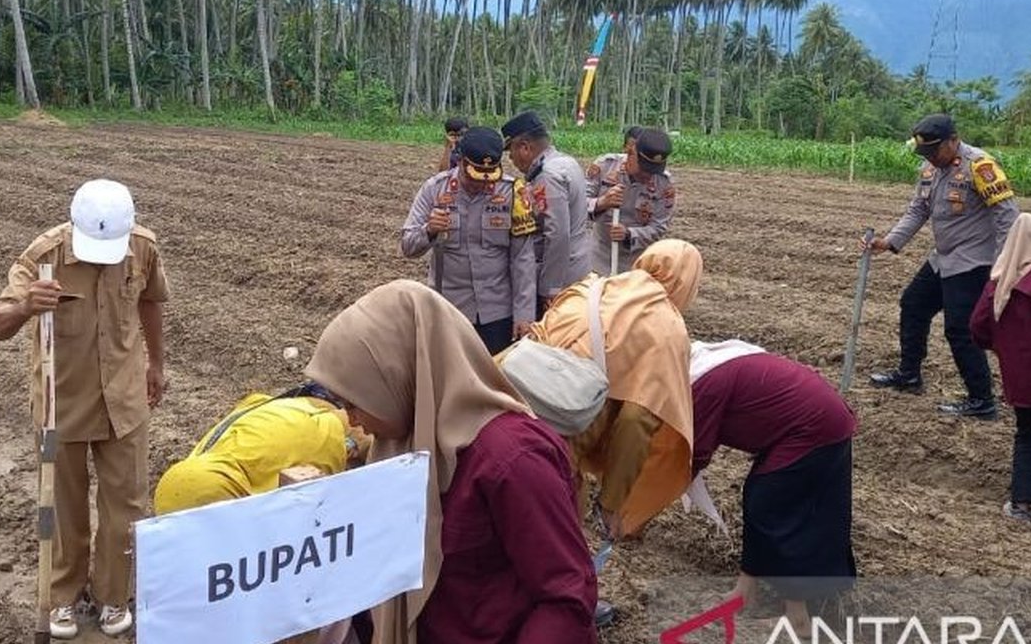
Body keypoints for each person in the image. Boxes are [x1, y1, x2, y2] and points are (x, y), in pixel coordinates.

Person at [305, 280, 598, 644]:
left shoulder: (512, 459)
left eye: (354, 403)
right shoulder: (398, 443)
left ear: (398, 379)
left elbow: (566, 596)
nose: (351, 421)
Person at [0, 179, 170, 640]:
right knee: (63, 506)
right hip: (61, 400)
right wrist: (28, 305)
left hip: (124, 399)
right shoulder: (43, 255)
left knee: (125, 504)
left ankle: (113, 594)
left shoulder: (142, 248)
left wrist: (157, 363)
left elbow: (151, 301)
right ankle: (64, 596)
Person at [526, 240, 700, 540]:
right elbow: (636, 421)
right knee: (549, 548)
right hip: (554, 448)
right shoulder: (668, 329)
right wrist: (611, 503)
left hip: (502, 411)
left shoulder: (591, 287)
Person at [688, 340, 857, 636]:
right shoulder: (711, 361)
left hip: (815, 427)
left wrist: (658, 490)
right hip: (815, 419)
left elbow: (695, 451)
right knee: (758, 498)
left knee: (773, 510)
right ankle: (745, 591)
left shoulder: (704, 383)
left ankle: (797, 616)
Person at [867, 113, 1019, 419]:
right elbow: (918, 209)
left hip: (975, 261)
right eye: (926, 154)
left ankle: (982, 400)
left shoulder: (980, 166)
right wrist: (890, 241)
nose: (931, 158)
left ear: (953, 140)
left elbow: (1007, 217)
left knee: (959, 329)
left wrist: (1003, 265)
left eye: (935, 151)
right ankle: (909, 374)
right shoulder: (930, 168)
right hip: (944, 257)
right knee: (913, 304)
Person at [401, 126, 538, 354]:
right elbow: (407, 246)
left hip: (498, 313)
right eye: (474, 178)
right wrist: (429, 230)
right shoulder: (435, 190)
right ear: (462, 162)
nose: (482, 185)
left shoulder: (512, 192)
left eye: (488, 178)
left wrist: (524, 314)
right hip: (450, 310)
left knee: (497, 380)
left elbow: (523, 258)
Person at [152, 383, 373, 515]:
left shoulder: (312, 438)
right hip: (269, 415)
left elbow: (356, 429)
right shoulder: (188, 482)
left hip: (321, 408)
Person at [969, 213, 1031, 523]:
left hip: (1022, 374)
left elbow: (978, 326)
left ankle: (1021, 505)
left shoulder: (999, 280)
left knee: (1028, 435)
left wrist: (1002, 347)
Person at [501, 111, 592, 318]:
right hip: (576, 267)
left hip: (561, 276)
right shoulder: (566, 162)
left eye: (511, 151)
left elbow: (557, 235)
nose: (512, 158)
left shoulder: (547, 176)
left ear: (525, 147)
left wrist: (549, 288)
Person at [587, 127, 677, 275]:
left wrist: (628, 234)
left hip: (636, 265)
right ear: (630, 153)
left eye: (654, 170)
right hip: (597, 258)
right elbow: (577, 207)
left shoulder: (665, 184)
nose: (648, 176)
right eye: (644, 168)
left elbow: (659, 226)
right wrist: (602, 202)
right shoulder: (604, 166)